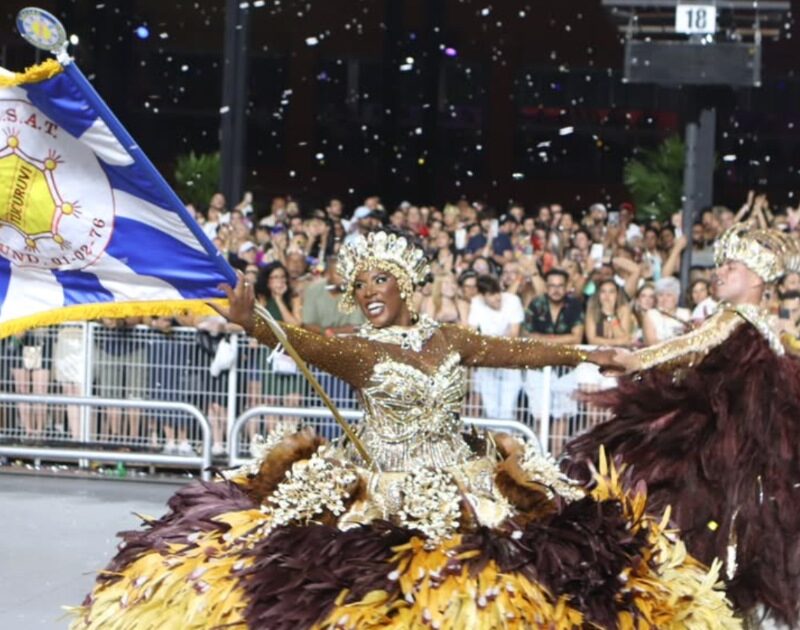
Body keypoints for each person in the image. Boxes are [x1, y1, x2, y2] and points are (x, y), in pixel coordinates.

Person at [72, 229, 736, 629]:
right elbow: (295, 338)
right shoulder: (358, 349)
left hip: (463, 481)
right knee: (378, 588)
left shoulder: (448, 337)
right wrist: (253, 323)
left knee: (481, 579)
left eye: (382, 278)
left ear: (411, 286)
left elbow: (524, 349)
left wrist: (593, 353)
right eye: (360, 283)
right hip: (380, 486)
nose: (369, 290)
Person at [564, 223, 800, 626]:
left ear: (758, 279)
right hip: (739, 461)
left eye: (732, 266)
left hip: (720, 456)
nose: (719, 272)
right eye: (719, 265)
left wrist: (636, 360)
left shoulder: (736, 318)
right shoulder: (767, 330)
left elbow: (690, 345)